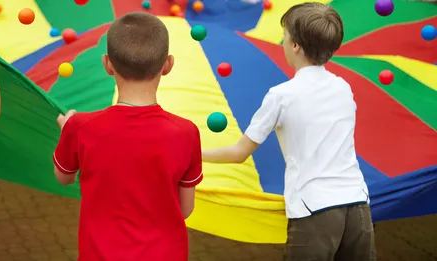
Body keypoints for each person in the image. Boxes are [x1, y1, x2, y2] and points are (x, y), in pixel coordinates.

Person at [201, 3, 376, 261]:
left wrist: (195, 152)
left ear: (295, 45)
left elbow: (239, 153)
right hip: (358, 207)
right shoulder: (343, 88)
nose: (282, 42)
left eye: (284, 36)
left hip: (314, 209)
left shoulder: (281, 96)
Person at [52, 12, 203, 261]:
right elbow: (185, 209)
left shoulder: (80, 126)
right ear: (167, 65)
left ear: (107, 64)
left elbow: (64, 177)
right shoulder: (186, 132)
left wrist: (67, 133)